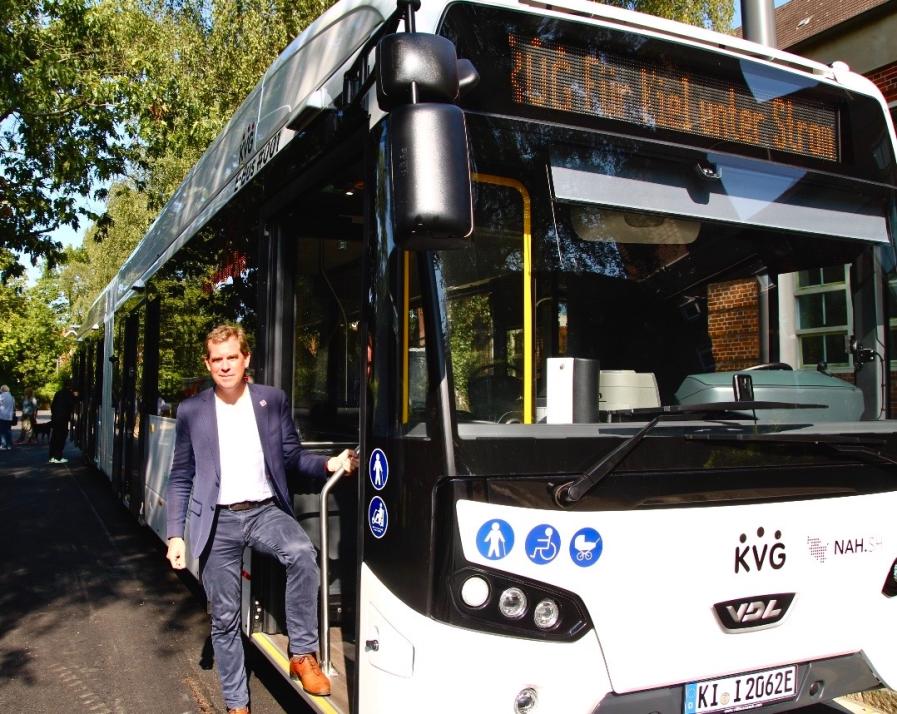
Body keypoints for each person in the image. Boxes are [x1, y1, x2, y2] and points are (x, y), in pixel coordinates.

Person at [165, 324, 357, 714]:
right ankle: (238, 705)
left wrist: (328, 463)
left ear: (246, 358)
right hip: (218, 522)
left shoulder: (272, 400)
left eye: (231, 357)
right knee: (224, 617)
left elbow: (291, 458)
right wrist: (175, 535)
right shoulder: (191, 411)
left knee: (303, 553)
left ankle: (303, 653)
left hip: (264, 512)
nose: (224, 366)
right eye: (216, 360)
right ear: (207, 363)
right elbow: (181, 475)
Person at [49, 382, 76, 463]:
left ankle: (52, 456)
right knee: (61, 438)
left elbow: (52, 405)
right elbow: (72, 404)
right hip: (63, 419)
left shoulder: (58, 393)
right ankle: (58, 457)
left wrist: (54, 414)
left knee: (54, 437)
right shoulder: (69, 394)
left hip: (55, 418)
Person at [0, 385, 14, 450]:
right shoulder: (11, 397)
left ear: (2, 390)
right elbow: (13, 407)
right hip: (9, 416)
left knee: (2, 431)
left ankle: (3, 445)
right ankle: (9, 445)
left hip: (2, 415)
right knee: (8, 431)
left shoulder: (1, 396)